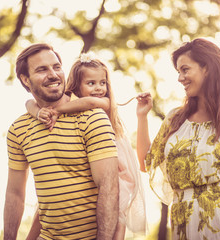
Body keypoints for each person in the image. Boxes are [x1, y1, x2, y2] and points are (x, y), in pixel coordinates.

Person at [136, 38, 220, 239]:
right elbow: (146, 163)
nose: (180, 78)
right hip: (182, 226)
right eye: (178, 72)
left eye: (185, 69)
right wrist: (142, 117)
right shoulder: (174, 120)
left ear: (206, 68)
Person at [4, 43, 119, 240]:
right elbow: (15, 193)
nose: (53, 74)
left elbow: (108, 188)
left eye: (56, 67)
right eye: (42, 69)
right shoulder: (18, 130)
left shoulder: (92, 117)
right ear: (25, 79)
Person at [25, 53, 147, 240]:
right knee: (44, 208)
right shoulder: (68, 100)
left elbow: (88, 102)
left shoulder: (104, 102)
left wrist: (55, 110)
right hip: (86, 163)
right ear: (76, 85)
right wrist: (38, 112)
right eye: (91, 83)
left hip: (116, 166)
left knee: (117, 211)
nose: (99, 88)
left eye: (102, 83)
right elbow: (28, 103)